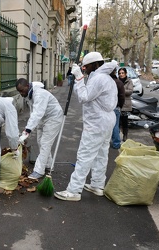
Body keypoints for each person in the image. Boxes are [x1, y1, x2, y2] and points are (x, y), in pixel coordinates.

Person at [54, 52, 118, 201]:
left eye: (86, 66)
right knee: (101, 155)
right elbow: (82, 93)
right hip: (106, 121)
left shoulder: (99, 78)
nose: (84, 69)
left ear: (95, 64)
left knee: (85, 155)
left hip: (97, 123)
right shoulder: (105, 78)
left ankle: (74, 190)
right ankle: (97, 185)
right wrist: (79, 81)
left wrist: (79, 77)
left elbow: (84, 97)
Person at [15, 78, 64, 179]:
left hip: (53, 117)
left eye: (22, 90)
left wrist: (27, 131)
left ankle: (38, 170)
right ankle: (48, 164)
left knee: (45, 143)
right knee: (40, 142)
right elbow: (33, 113)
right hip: (44, 117)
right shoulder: (30, 95)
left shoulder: (39, 94)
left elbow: (37, 113)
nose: (21, 93)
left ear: (27, 86)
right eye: (19, 91)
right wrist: (27, 132)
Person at [110, 65, 125, 149]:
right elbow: (122, 96)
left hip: (106, 108)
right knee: (115, 126)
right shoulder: (118, 82)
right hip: (116, 107)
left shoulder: (106, 82)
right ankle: (116, 143)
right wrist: (120, 105)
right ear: (115, 72)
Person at [118, 67, 133, 142]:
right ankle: (117, 135)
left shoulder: (129, 81)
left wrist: (121, 90)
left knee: (125, 121)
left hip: (126, 104)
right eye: (120, 73)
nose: (121, 74)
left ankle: (125, 135)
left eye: (122, 73)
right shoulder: (117, 81)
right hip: (117, 104)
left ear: (126, 73)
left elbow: (130, 91)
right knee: (117, 122)